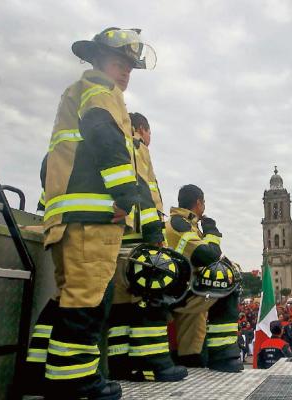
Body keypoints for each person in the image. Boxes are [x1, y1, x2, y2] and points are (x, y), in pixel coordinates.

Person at [28, 27, 158, 400]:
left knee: (67, 299)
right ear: (100, 60)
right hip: (92, 219)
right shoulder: (101, 91)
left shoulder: (77, 93)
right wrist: (125, 195)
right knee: (87, 302)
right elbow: (105, 137)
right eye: (120, 64)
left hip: (71, 217)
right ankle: (74, 383)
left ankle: (40, 373)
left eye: (130, 69)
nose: (124, 74)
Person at [106, 112, 187, 382]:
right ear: (142, 129)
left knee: (119, 308)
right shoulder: (136, 146)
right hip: (138, 238)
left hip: (113, 238)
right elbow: (144, 192)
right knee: (148, 300)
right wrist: (154, 234)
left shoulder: (107, 143)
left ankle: (119, 365)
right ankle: (153, 364)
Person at [165, 184, 243, 372]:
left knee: (197, 317)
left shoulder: (186, 224)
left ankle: (191, 358)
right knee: (225, 287)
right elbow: (207, 255)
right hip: (177, 291)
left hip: (181, 287)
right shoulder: (178, 223)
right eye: (204, 202)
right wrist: (212, 232)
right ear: (199, 203)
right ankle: (223, 354)